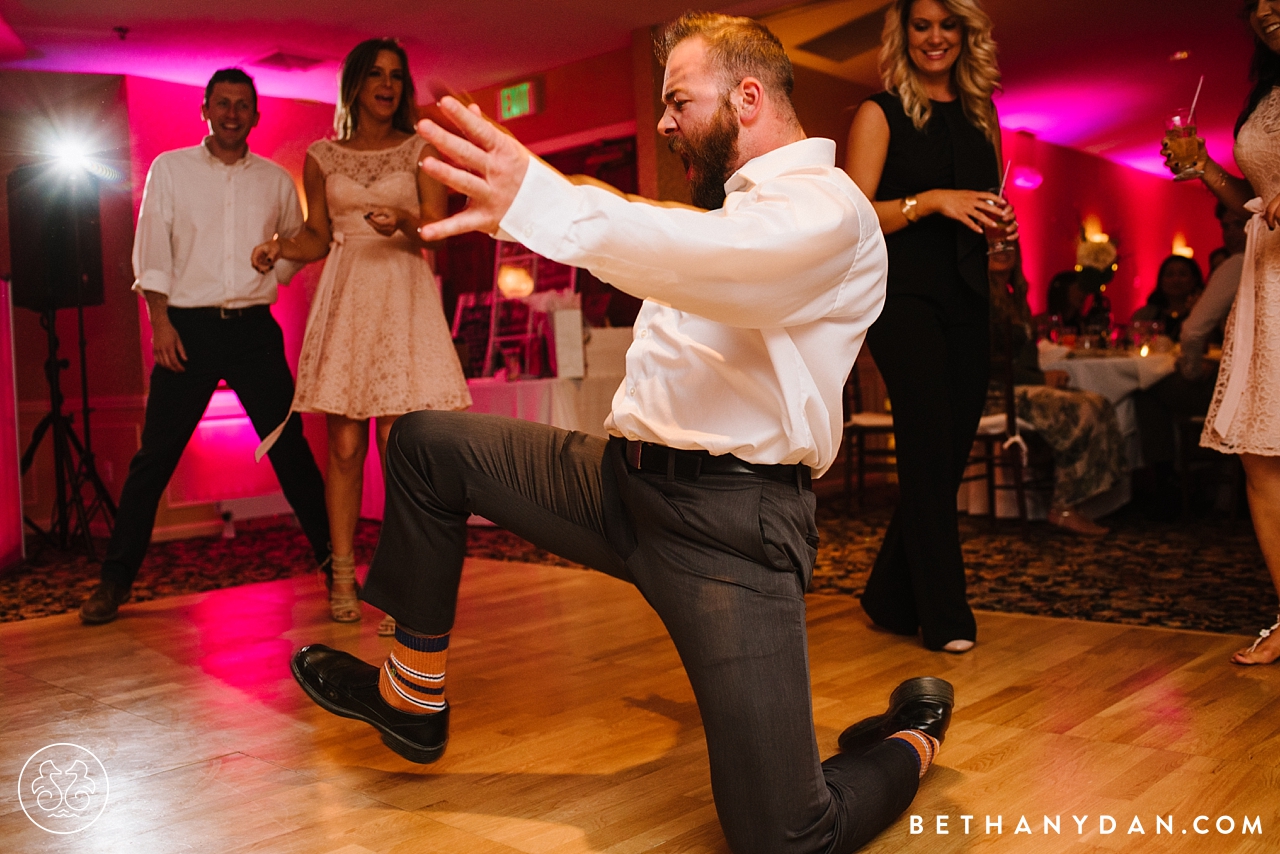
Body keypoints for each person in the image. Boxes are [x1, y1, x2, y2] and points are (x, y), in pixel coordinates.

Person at [290, 13, 955, 854]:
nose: (666, 120)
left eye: (679, 100)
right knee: (426, 444)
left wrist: (542, 200)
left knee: (786, 837)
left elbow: (730, 263)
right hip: (617, 486)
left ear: (749, 99)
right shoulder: (719, 210)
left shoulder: (830, 213)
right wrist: (530, 209)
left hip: (730, 532)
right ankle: (412, 698)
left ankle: (913, 737)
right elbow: (683, 242)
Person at [78, 69, 331, 625]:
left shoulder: (273, 181)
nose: (233, 113)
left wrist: (276, 258)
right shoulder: (170, 170)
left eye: (244, 105)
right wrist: (160, 323)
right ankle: (113, 583)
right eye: (223, 103)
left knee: (293, 454)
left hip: (254, 331)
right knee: (154, 460)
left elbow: (298, 245)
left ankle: (336, 570)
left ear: (256, 115)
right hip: (187, 330)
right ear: (205, 108)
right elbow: (152, 251)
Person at [252, 39, 471, 628]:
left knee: (400, 451)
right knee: (345, 448)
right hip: (348, 297)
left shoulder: (420, 149)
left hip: (402, 292)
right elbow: (316, 236)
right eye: (375, 74)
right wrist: (277, 248)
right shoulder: (323, 155)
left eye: (397, 75)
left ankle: (397, 584)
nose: (388, 84)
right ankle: (342, 573)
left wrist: (404, 221)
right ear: (354, 83)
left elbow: (439, 229)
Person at [843, 0, 1010, 653]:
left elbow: (980, 205)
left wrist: (1000, 229)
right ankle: (946, 616)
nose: (935, 37)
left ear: (966, 35)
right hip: (901, 298)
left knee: (949, 451)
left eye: (948, 25)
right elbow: (852, 218)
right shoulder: (878, 113)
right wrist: (931, 201)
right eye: (922, 25)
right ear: (903, 34)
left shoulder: (980, 116)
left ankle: (889, 595)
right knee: (926, 445)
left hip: (968, 296)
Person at [1166, 0, 1280, 665]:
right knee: (1262, 461)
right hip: (1267, 280)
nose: (1267, 9)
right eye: (1257, 0)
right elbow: (1255, 199)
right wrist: (1207, 168)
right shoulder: (1264, 91)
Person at [989, 246, 1124, 536]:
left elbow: (1023, 359)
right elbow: (985, 364)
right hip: (993, 392)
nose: (1001, 249)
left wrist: (1041, 378)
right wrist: (1040, 381)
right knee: (1081, 410)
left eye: (1007, 242)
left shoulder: (1015, 300)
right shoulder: (978, 299)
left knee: (1099, 402)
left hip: (1020, 386)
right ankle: (1063, 506)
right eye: (992, 242)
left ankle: (1077, 502)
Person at [1131, 255, 1206, 343]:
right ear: (1161, 280)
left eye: (1183, 274)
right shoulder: (1145, 315)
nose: (1176, 280)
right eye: (1169, 274)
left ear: (1194, 279)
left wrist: (1198, 312)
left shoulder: (1204, 312)